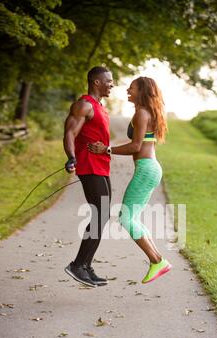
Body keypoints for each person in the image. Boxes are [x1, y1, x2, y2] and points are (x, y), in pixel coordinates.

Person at [88, 76, 172, 284]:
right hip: (149, 168)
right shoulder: (147, 112)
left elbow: (135, 147)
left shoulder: (141, 113)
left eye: (132, 87)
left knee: (126, 217)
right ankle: (158, 261)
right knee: (131, 217)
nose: (127, 89)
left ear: (141, 91)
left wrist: (106, 149)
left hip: (146, 169)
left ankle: (156, 260)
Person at [63, 66, 114, 287]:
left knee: (103, 215)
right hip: (88, 164)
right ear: (96, 82)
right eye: (109, 81)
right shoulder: (84, 105)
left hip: (102, 165)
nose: (112, 84)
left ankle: (85, 266)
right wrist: (71, 156)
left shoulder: (100, 107)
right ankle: (78, 264)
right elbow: (70, 132)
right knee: (100, 213)